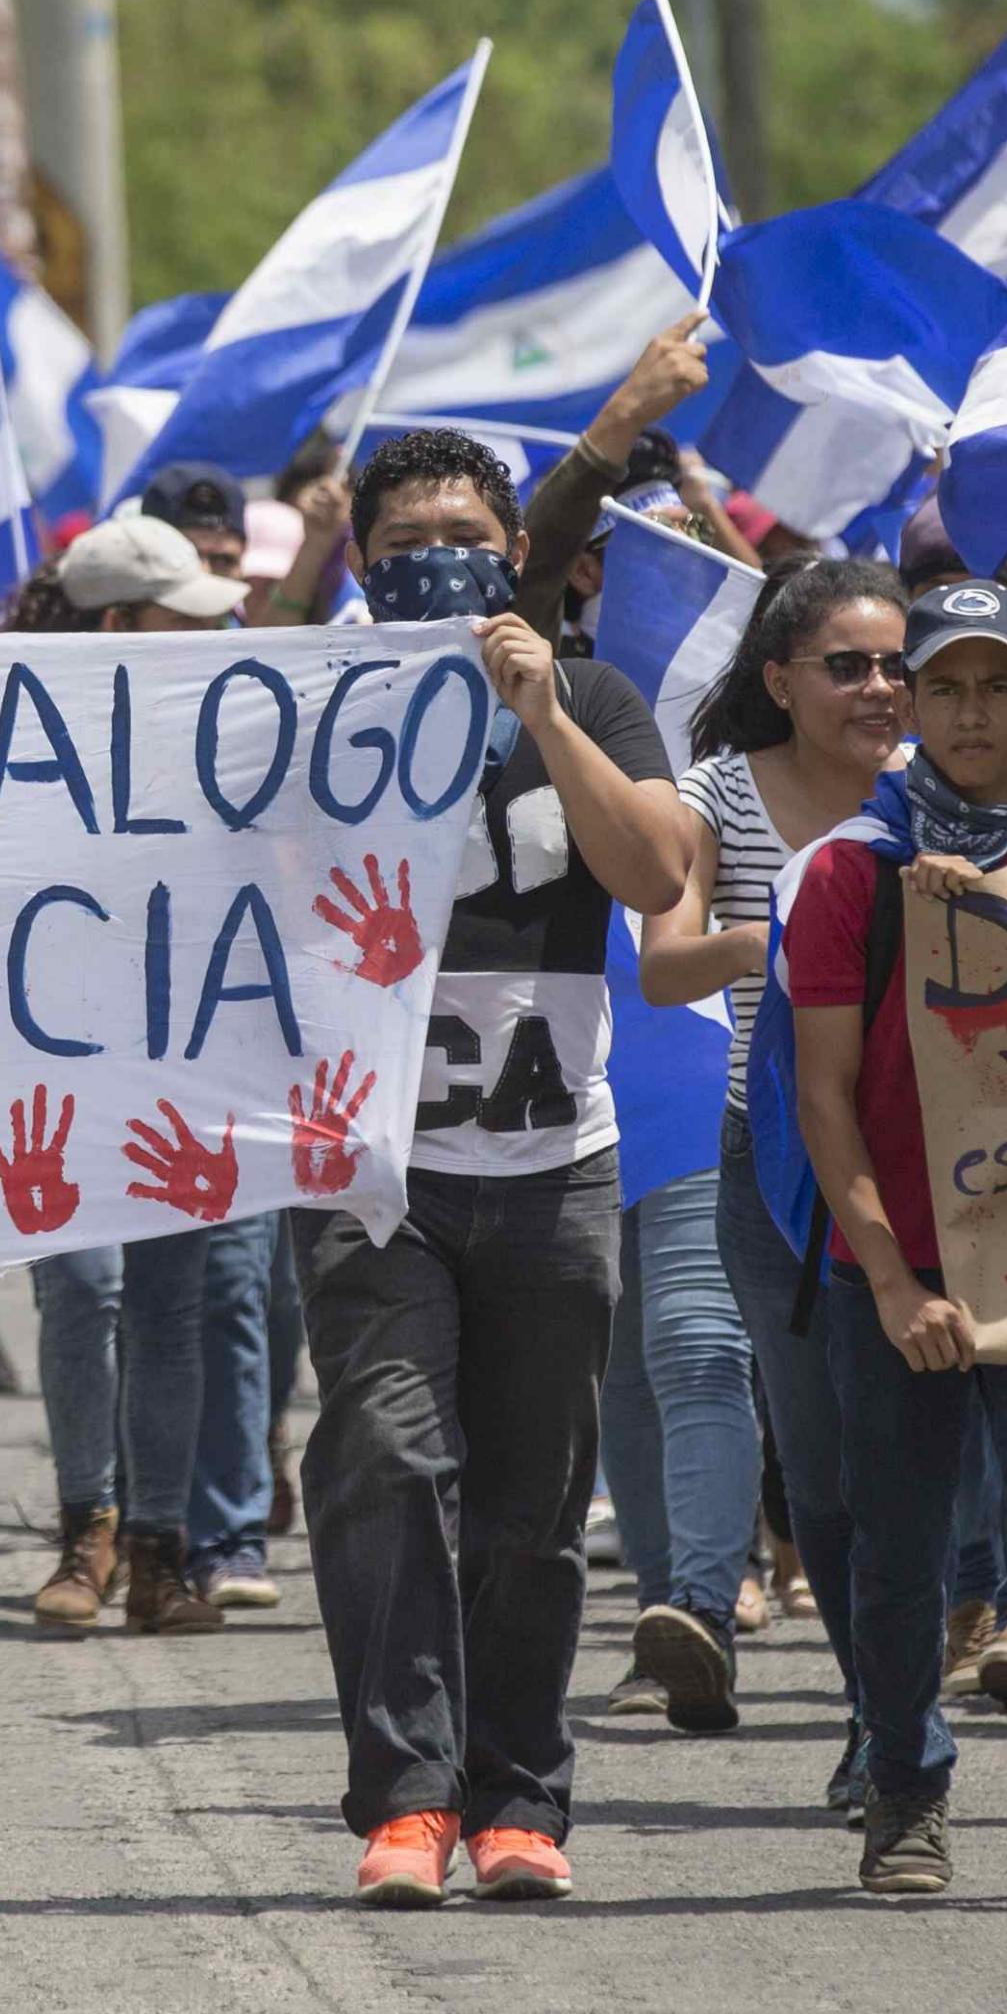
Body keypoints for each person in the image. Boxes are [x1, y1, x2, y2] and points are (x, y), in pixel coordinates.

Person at [299, 428, 696, 1905]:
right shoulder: (303, 713)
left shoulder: (590, 695)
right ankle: (406, 1794)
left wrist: (541, 709)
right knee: (389, 1461)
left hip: (549, 1168)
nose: (433, 560)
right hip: (372, 1172)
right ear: (361, 564)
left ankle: (518, 1796)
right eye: (401, 544)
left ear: (515, 552)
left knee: (534, 1507)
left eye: (461, 535)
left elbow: (658, 875)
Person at [766, 579, 1007, 1915]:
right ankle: (907, 1794)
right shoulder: (848, 876)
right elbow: (822, 1097)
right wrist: (890, 1279)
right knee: (901, 1551)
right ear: (909, 707)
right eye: (947, 687)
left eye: (999, 686)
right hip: (900, 1273)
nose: (973, 712)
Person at [632, 555, 913, 1748]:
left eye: (896, 664)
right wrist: (779, 942)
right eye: (844, 666)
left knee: (920, 1456)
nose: (880, 688)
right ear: (780, 682)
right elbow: (659, 962)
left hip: (925, 1163)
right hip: (778, 1165)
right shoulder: (712, 791)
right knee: (823, 1460)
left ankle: (928, 1696)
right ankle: (874, 1721)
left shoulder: (927, 791)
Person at [5, 515, 280, 1634]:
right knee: (79, 1285)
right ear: (117, 624)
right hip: (55, 1055)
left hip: (184, 1046)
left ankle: (161, 1547)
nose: (212, 635)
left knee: (170, 1299)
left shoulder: (228, 732)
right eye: (185, 616)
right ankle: (88, 1523)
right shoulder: (5, 733)